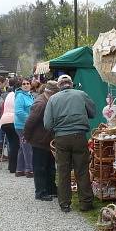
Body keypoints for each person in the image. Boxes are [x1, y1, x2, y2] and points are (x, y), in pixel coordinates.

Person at [44, 74, 96, 213]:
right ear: (71, 84)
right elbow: (93, 113)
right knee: (82, 170)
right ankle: (86, 203)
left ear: (59, 86)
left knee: (63, 171)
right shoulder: (81, 94)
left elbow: (47, 124)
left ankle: (65, 204)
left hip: (61, 138)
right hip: (79, 136)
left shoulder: (53, 99)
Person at [24, 81, 59, 201]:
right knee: (40, 167)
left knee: (50, 166)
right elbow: (30, 121)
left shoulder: (47, 101)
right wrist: (27, 137)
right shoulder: (41, 103)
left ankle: (51, 189)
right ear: (52, 93)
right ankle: (40, 192)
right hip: (39, 140)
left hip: (47, 140)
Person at [14, 79, 35, 177]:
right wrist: (30, 119)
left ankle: (19, 170)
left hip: (27, 125)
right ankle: (29, 170)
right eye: (24, 84)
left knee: (23, 147)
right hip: (22, 126)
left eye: (28, 83)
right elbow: (19, 112)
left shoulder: (30, 96)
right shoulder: (20, 96)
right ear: (20, 86)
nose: (26, 85)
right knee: (27, 147)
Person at [0, 80, 19, 174]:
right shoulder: (18, 96)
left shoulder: (8, 95)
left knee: (11, 143)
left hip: (4, 121)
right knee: (15, 144)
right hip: (13, 120)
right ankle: (14, 167)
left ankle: (11, 166)